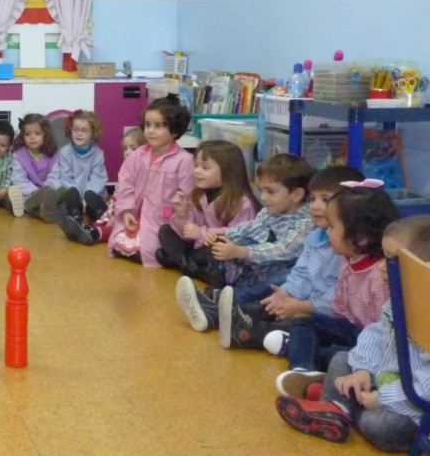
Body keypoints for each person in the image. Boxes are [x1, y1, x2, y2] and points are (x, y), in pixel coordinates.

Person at [274, 215, 430, 451]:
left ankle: (338, 407)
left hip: (413, 406)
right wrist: (363, 370)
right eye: (384, 257)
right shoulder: (397, 301)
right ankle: (336, 408)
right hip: (382, 380)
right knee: (341, 360)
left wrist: (383, 398)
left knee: (377, 424)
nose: (381, 266)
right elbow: (375, 333)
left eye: (391, 260)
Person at [218, 165, 364, 351]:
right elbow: (301, 273)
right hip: (304, 304)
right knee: (270, 304)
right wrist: (286, 294)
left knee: (297, 326)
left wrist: (301, 306)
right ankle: (220, 314)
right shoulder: (316, 236)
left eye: (325, 199)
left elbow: (339, 299)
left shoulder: (347, 249)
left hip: (326, 315)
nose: (315, 206)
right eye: (312, 199)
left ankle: (245, 333)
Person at [269, 179, 396, 382]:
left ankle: (298, 351)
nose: (327, 233)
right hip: (350, 329)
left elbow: (383, 334)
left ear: (361, 238)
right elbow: (338, 308)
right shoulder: (348, 261)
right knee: (304, 322)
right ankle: (301, 370)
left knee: (337, 356)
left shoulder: (378, 277)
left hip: (373, 343)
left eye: (332, 227)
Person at [176, 153, 314, 333]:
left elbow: (284, 249)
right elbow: (249, 227)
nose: (263, 197)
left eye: (270, 192)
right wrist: (221, 233)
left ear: (296, 194)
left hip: (283, 274)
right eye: (261, 190)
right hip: (259, 268)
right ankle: (217, 294)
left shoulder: (305, 222)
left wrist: (241, 251)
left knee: (280, 279)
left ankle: (222, 303)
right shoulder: (269, 211)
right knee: (228, 241)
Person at [156, 140, 261, 281]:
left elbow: (237, 237)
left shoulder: (241, 202)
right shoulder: (197, 194)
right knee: (166, 231)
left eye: (205, 167)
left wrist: (200, 233)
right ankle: (194, 268)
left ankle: (183, 263)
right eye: (196, 165)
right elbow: (186, 234)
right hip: (198, 247)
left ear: (227, 170)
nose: (197, 171)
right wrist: (181, 214)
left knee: (215, 250)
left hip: (225, 253)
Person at [108, 95, 194, 264]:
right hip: (136, 214)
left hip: (164, 219)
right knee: (118, 243)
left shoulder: (184, 160)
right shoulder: (138, 155)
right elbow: (125, 183)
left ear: (175, 130)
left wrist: (176, 212)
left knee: (151, 248)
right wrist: (126, 211)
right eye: (147, 125)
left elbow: (186, 194)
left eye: (158, 126)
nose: (151, 131)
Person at [50, 110, 110, 245]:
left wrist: (86, 196)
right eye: (75, 129)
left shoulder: (98, 154)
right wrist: (78, 195)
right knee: (71, 194)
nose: (79, 133)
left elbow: (98, 178)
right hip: (73, 191)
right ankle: (75, 216)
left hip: (92, 193)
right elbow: (65, 176)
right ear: (70, 130)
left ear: (93, 133)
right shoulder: (65, 152)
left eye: (84, 130)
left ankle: (98, 215)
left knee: (92, 198)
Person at [11, 113, 60, 222]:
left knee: (61, 192)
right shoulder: (18, 155)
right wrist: (37, 192)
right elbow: (19, 179)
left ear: (45, 134)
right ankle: (41, 211)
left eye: (37, 133)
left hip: (48, 191)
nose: (32, 137)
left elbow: (55, 175)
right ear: (23, 136)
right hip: (28, 194)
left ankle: (45, 210)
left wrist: (46, 190)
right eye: (27, 134)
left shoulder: (52, 154)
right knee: (23, 201)